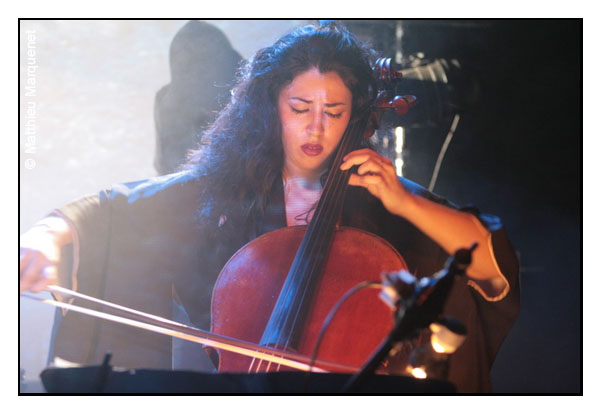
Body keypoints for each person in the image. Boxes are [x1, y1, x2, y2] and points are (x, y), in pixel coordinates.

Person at [19, 23, 519, 393]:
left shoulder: (382, 194)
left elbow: (488, 267)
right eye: (300, 109)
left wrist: (405, 202)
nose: (316, 129)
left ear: (358, 115)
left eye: (335, 112)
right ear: (269, 106)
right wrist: (42, 241)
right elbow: (106, 212)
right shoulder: (223, 188)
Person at [153, 21, 242, 175]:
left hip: (184, 187)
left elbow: (162, 169)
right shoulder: (244, 92)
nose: (200, 74)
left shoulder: (165, 101)